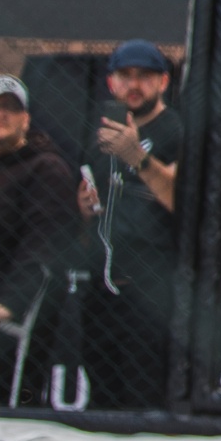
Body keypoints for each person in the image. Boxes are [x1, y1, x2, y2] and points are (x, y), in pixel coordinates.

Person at [77, 40, 182, 409]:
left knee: (144, 391)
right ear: (111, 83)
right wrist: (85, 208)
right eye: (125, 76)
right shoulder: (101, 136)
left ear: (163, 82)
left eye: (144, 76)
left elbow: (182, 200)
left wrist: (137, 157)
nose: (134, 85)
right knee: (102, 393)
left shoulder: (177, 131)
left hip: (153, 286)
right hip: (103, 283)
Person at [0, 74, 75, 405]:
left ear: (25, 120)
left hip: (1, 317)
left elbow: (44, 245)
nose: (0, 114)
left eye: (10, 108)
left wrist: (10, 303)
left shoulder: (45, 169)